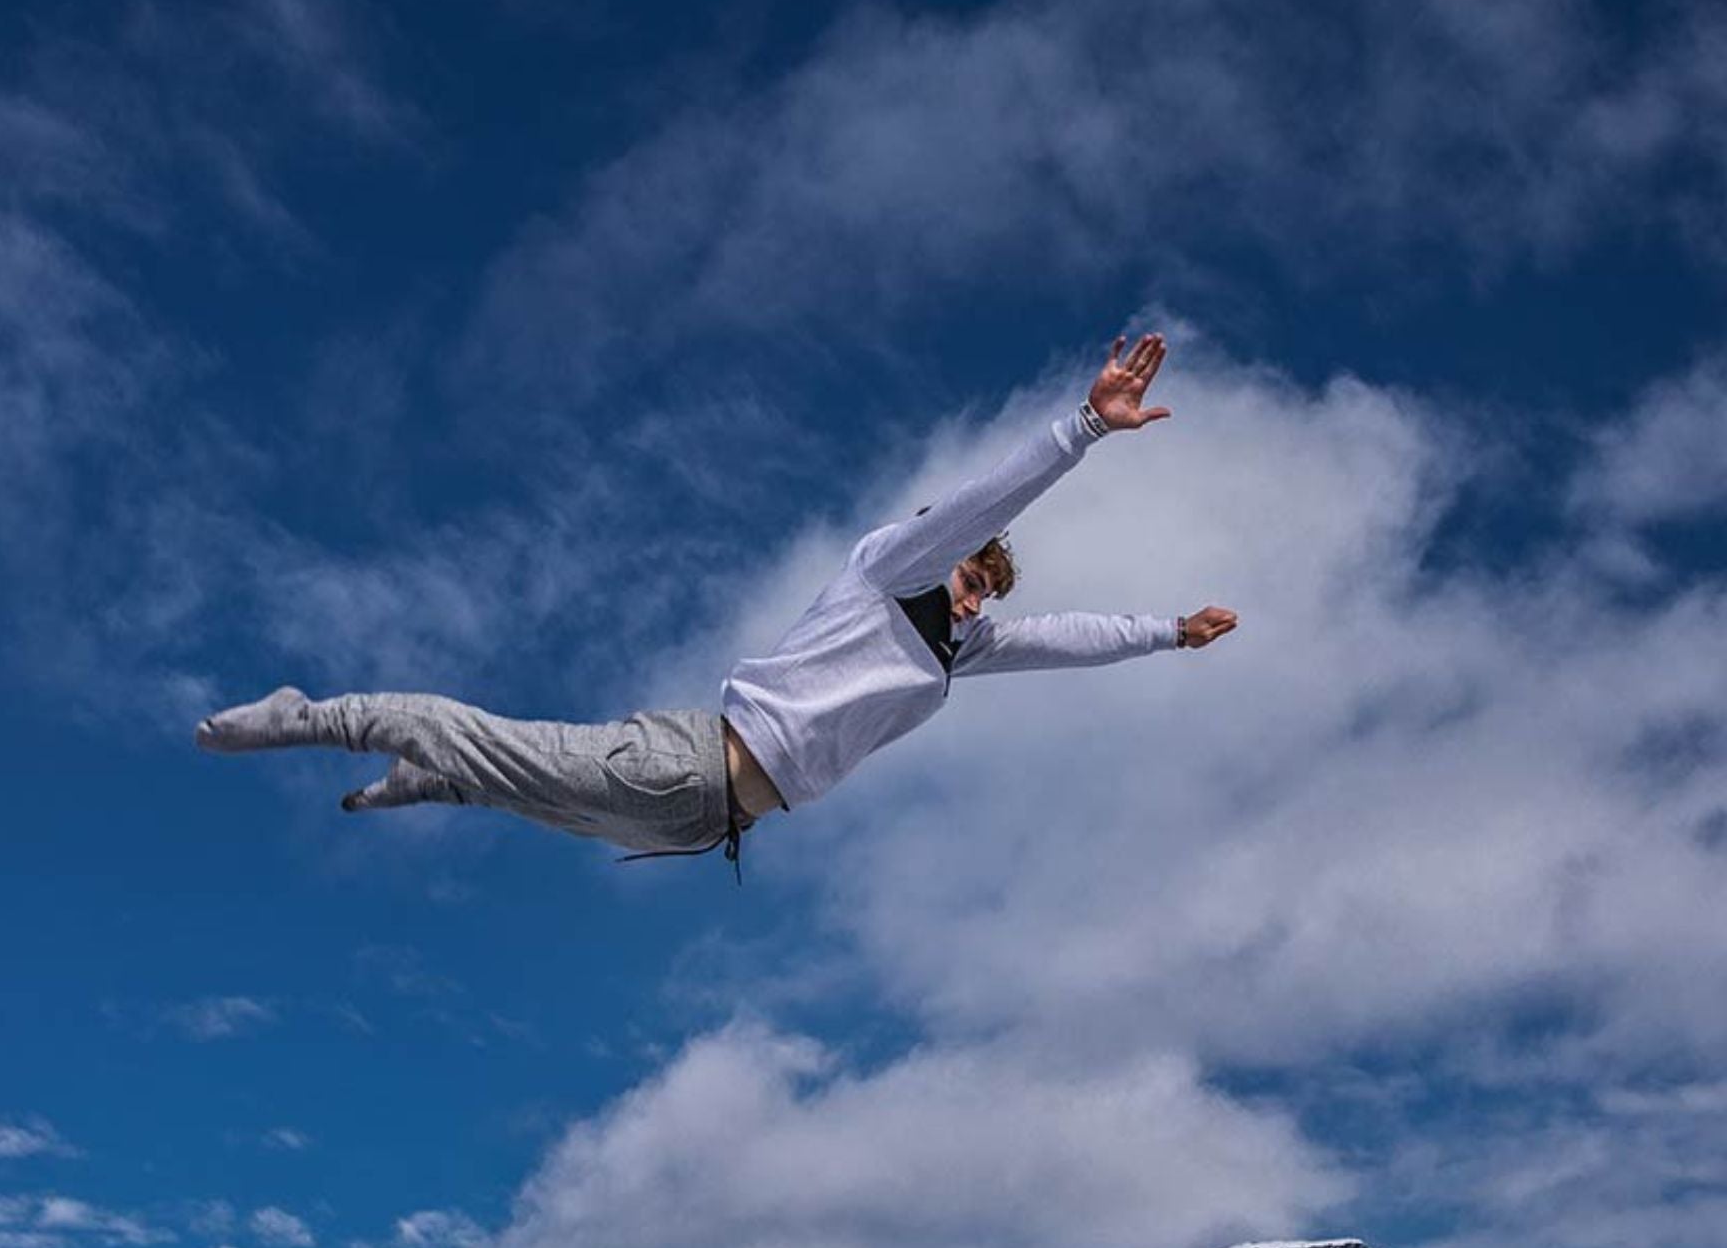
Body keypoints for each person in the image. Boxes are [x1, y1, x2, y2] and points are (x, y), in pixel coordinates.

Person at [195, 332, 1237, 866]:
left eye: (981, 596)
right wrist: (1083, 430)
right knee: (477, 735)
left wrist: (1166, 634)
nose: (971, 603)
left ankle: (422, 781)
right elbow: (985, 497)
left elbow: (1058, 639)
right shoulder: (893, 567)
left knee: (524, 788)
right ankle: (307, 715)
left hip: (701, 821)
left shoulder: (948, 655)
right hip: (688, 760)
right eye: (971, 578)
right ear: (945, 555)